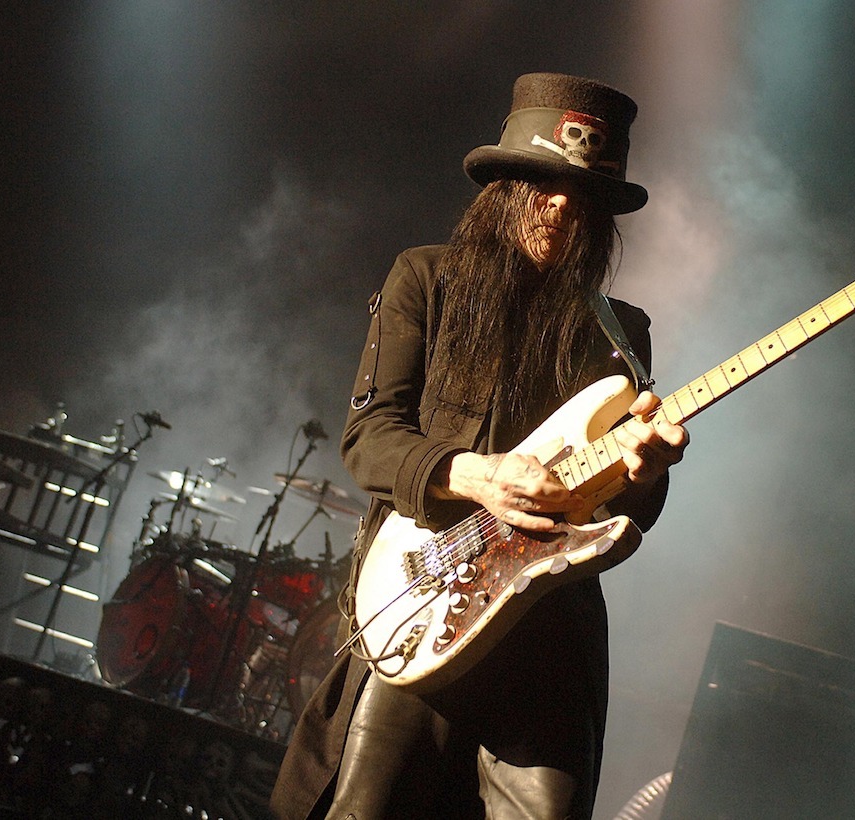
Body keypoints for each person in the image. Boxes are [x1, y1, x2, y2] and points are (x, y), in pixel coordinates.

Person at [272, 72, 688, 819]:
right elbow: (369, 439)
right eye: (542, 183)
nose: (561, 205)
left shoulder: (620, 329)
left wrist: (642, 470)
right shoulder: (424, 279)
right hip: (429, 595)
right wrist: (478, 476)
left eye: (583, 195)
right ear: (504, 188)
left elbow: (634, 506)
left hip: (549, 631)